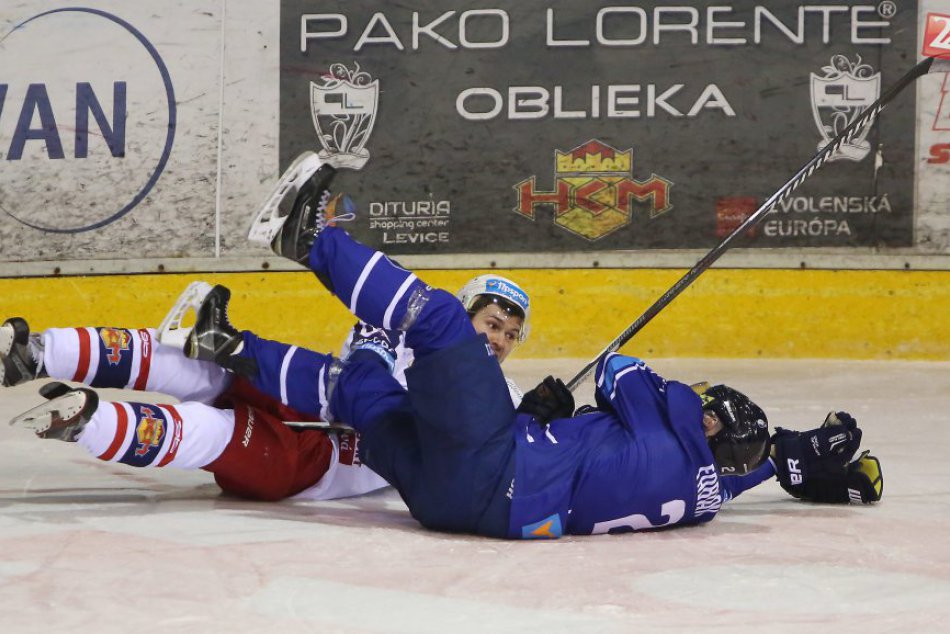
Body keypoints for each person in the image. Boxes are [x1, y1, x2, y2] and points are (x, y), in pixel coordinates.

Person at [186, 153, 888, 536]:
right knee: (365, 395)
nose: (699, 397)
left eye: (707, 402)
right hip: (457, 507)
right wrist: (795, 452)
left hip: (487, 466)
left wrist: (569, 411)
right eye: (495, 324)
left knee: (435, 325)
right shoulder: (706, 495)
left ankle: (309, 239)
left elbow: (617, 370)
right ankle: (227, 344)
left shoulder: (674, 422)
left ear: (706, 423)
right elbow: (752, 464)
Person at [1, 274, 532, 502]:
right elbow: (353, 379)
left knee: (213, 432)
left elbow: (504, 457)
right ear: (461, 315)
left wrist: (540, 417)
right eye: (492, 324)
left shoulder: (502, 397)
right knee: (194, 364)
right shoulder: (401, 334)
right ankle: (39, 353)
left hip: (317, 465)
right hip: (301, 399)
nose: (500, 340)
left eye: (511, 334)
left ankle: (88, 423)